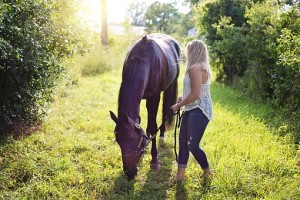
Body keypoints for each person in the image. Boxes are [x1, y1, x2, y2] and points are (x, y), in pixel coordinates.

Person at [170, 39, 213, 181]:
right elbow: (193, 90)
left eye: (188, 51)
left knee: (192, 145)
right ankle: (180, 177)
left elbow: (196, 94)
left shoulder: (196, 68)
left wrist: (178, 105)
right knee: (183, 143)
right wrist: (182, 97)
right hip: (191, 107)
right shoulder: (195, 67)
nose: (186, 54)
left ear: (193, 51)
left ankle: (207, 171)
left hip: (199, 108)